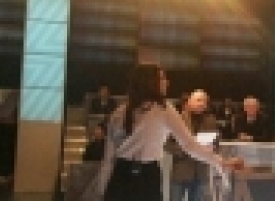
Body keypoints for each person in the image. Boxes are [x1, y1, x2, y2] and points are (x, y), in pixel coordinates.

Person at [98, 64, 239, 200]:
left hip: (120, 175)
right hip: (145, 175)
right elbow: (189, 145)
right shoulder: (163, 109)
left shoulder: (119, 111)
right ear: (150, 82)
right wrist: (220, 161)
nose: (167, 82)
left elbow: (108, 159)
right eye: (162, 78)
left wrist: (101, 190)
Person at [166, 90, 219, 201]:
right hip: (181, 171)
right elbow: (167, 144)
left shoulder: (211, 121)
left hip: (201, 172)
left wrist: (211, 149)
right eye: (198, 100)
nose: (201, 103)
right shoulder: (178, 118)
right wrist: (186, 149)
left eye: (204, 101)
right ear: (189, 101)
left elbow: (216, 144)